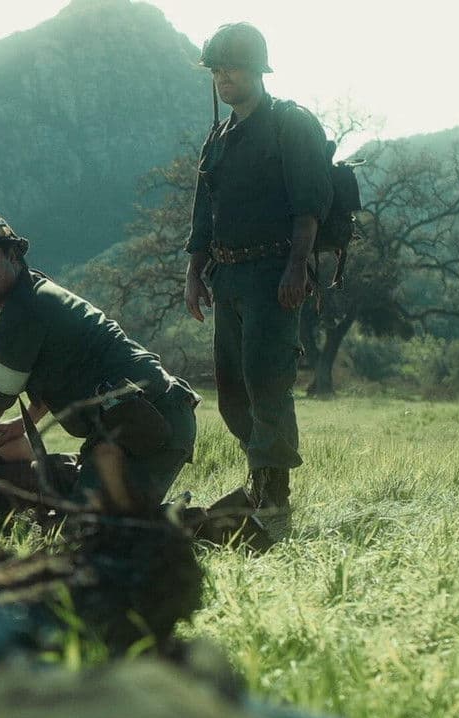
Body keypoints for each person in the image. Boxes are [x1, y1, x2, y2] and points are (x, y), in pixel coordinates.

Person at [0, 209, 200, 512]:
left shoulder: (25, 310)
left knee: (89, 530)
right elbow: (64, 368)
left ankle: (214, 524)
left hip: (152, 422)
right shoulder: (33, 294)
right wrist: (25, 422)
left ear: (11, 254)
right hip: (136, 423)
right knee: (77, 517)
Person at [183, 22, 333, 534]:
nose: (223, 77)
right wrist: (194, 273)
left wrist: (297, 267)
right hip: (227, 275)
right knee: (232, 392)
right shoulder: (218, 136)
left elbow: (309, 204)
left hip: (274, 273)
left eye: (232, 68)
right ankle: (259, 478)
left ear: (257, 70)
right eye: (216, 70)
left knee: (268, 383)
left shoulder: (290, 123)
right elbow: (203, 212)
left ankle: (274, 499)